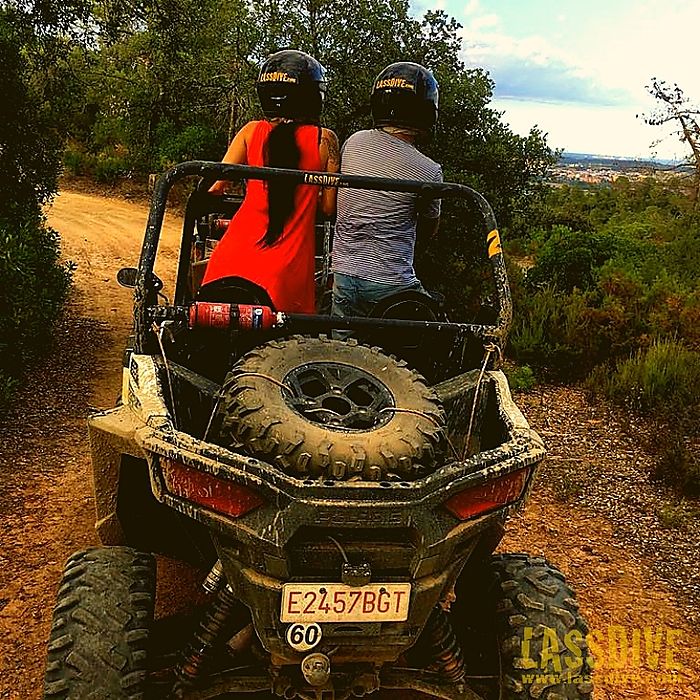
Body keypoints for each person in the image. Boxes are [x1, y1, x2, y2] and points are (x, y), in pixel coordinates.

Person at [202, 49, 340, 314]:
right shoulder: (325, 139)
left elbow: (217, 186)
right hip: (286, 268)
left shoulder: (251, 131)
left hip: (233, 258)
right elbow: (328, 208)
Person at [331, 61, 442, 319]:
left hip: (343, 273)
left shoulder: (355, 141)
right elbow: (429, 228)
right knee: (435, 327)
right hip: (391, 280)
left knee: (340, 345)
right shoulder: (429, 170)